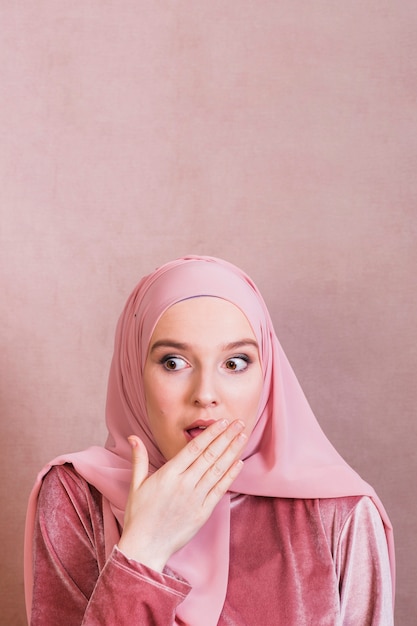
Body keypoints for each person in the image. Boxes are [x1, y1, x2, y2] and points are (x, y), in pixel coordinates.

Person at [24, 255, 395, 625]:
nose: (205, 394)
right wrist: (142, 551)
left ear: (267, 376)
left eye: (234, 363)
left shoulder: (340, 513)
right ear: (133, 372)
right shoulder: (77, 496)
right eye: (173, 362)